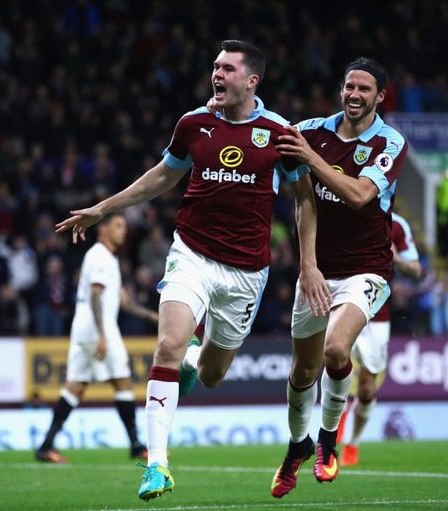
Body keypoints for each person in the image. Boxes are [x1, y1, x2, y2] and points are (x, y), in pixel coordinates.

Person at [54, 40, 330, 501]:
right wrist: (102, 208)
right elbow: (162, 176)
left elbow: (304, 199)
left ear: (251, 80)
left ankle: (194, 360)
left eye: (227, 69)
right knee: (166, 344)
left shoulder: (279, 133)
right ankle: (156, 465)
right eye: (214, 68)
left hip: (246, 273)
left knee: (214, 373)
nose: (216, 75)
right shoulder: (193, 124)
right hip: (193, 255)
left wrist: (308, 264)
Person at [268, 57, 407, 498]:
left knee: (334, 349)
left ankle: (328, 439)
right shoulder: (310, 130)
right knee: (301, 371)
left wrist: (310, 157)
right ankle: (297, 447)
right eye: (349, 86)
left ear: (379, 96)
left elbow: (359, 195)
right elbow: (300, 197)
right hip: (317, 271)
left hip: (367, 268)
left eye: (364, 89)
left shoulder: (390, 141)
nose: (354, 95)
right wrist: (307, 266)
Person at [35, 214, 162, 463]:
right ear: (102, 229)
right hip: (98, 328)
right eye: (117, 226)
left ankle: (45, 446)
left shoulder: (106, 258)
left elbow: (122, 301)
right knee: (123, 382)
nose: (123, 231)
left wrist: (151, 315)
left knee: (76, 387)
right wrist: (102, 334)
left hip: (85, 329)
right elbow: (95, 296)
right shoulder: (100, 256)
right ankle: (137, 446)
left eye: (124, 226)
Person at [338, 211, 422, 466]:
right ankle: (330, 440)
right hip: (342, 304)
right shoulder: (343, 212)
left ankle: (352, 444)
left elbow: (416, 270)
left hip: (377, 316)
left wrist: (397, 259)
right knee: (336, 369)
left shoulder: (396, 225)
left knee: (366, 388)